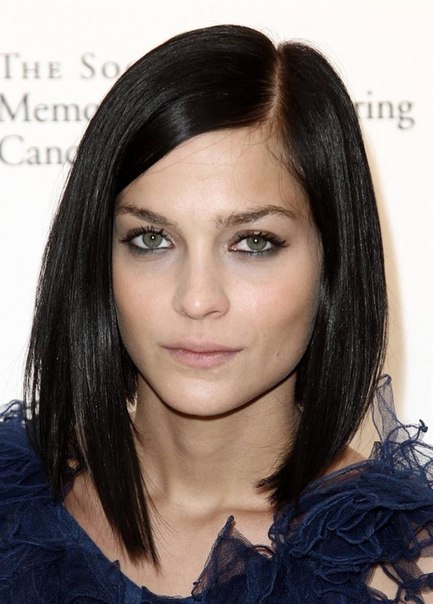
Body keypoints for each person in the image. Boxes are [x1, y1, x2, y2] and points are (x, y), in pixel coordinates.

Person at [0, 24, 432, 603]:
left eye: (253, 243)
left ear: (333, 261)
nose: (198, 298)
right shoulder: (11, 510)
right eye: (151, 239)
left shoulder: (407, 573)